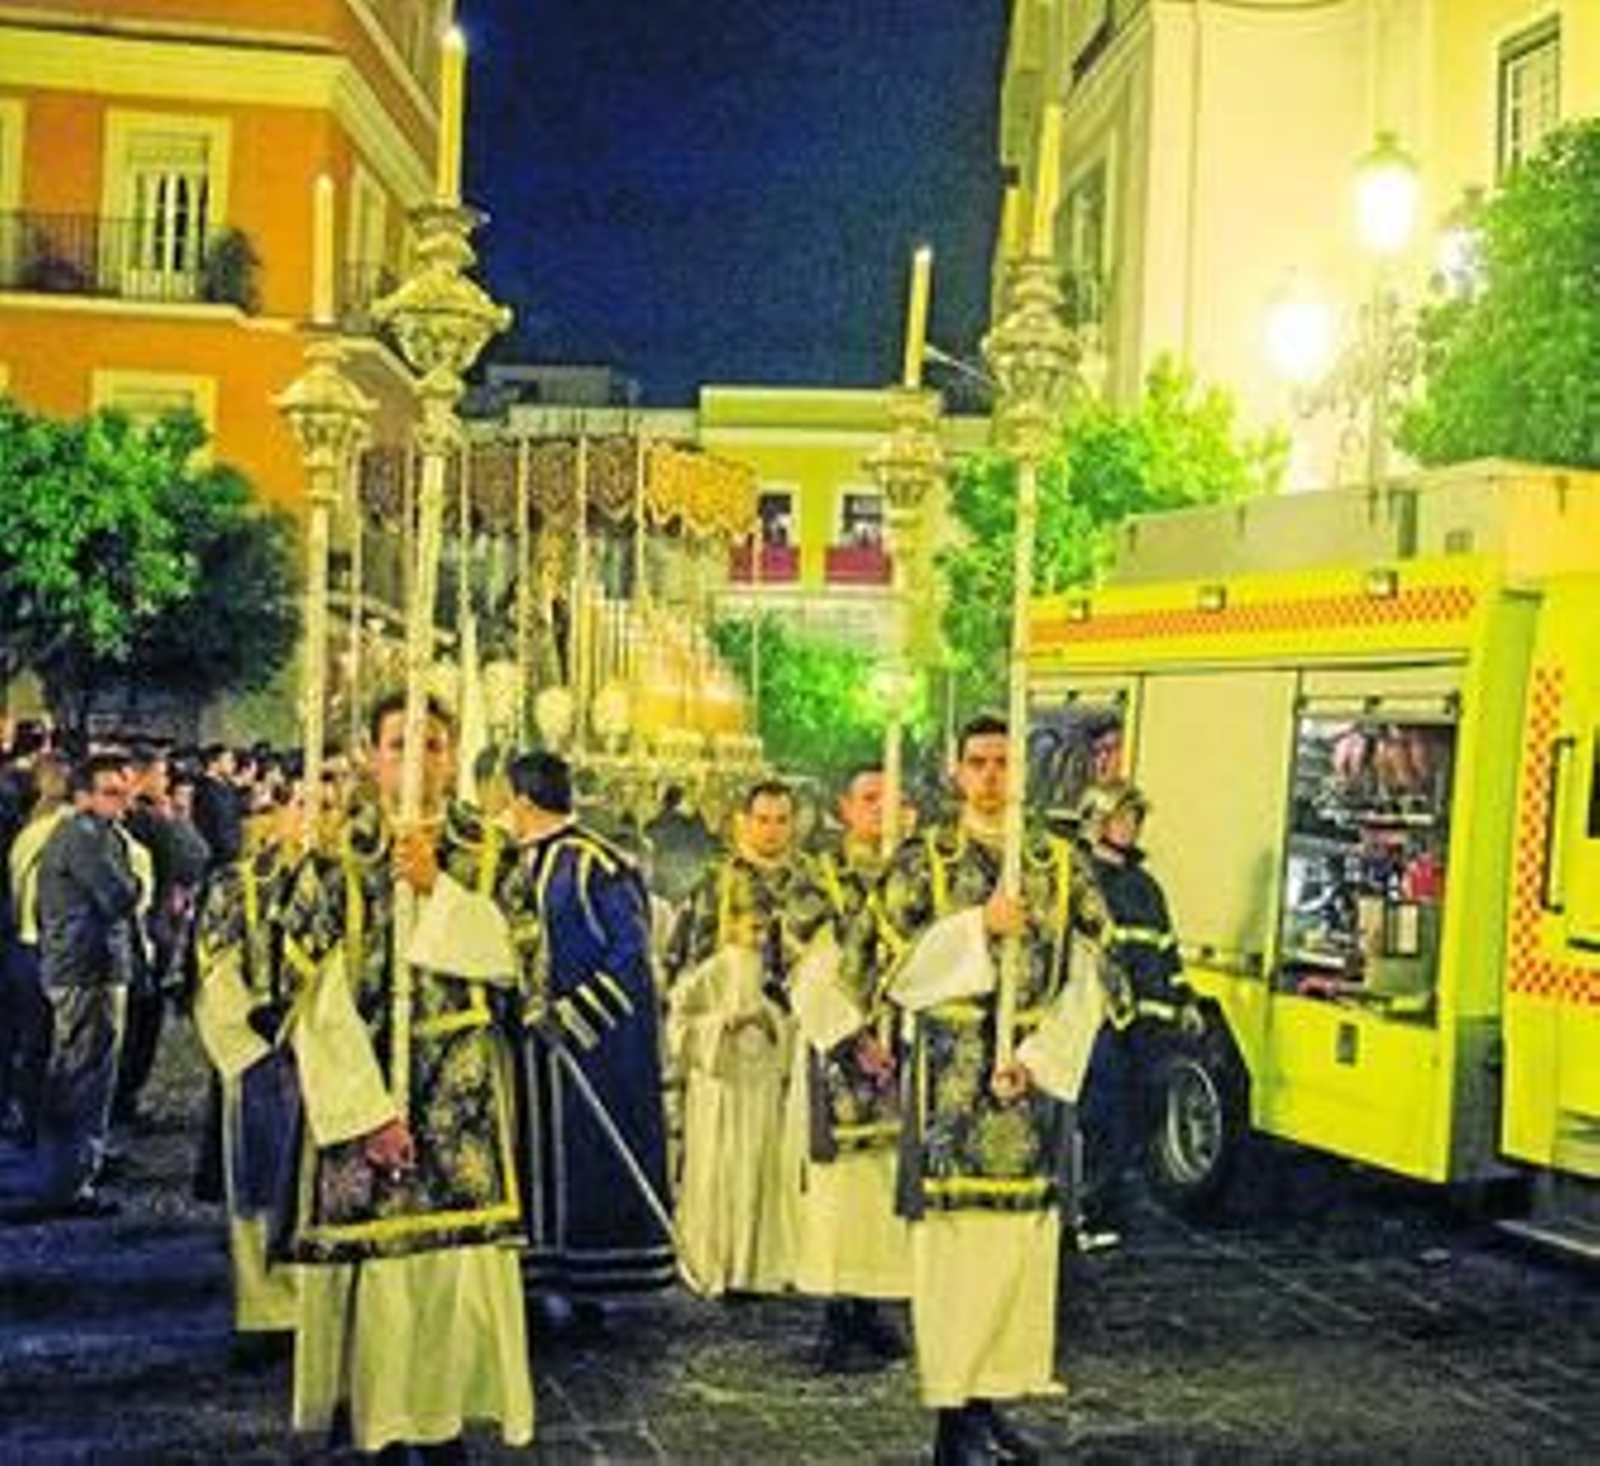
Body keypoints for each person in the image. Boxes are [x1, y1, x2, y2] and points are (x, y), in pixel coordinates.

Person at [278, 691, 533, 1456]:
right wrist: (367, 1115)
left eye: (433, 745)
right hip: (362, 1091)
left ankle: (445, 1423)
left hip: (461, 1092)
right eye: (399, 745)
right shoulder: (335, 858)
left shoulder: (492, 853)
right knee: (379, 1280)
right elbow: (313, 1001)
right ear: (372, 757)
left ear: (453, 758)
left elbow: (522, 962)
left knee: (453, 1276)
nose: (417, 760)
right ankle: (379, 1426)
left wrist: (436, 890)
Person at [877, 715, 1117, 1465]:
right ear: (956, 772)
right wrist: (977, 927)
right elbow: (888, 966)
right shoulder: (923, 861)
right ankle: (952, 1419)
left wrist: (1040, 1061)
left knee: (1017, 1257)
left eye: (1003, 762)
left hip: (1029, 1094)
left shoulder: (1061, 863)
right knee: (955, 1260)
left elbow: (1094, 972)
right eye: (977, 762)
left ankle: (989, 1402)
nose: (990, 776)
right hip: (952, 1095)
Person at [501, 751, 675, 1319]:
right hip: (528, 1055)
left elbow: (631, 959)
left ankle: (593, 1281)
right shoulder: (512, 864)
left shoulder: (595, 866)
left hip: (590, 1052)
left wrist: (574, 1017)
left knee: (587, 1162)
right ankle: (537, 1277)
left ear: (521, 801)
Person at [665, 779, 811, 1297]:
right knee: (719, 1159)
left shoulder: (809, 885)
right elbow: (683, 969)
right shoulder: (714, 884)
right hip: (722, 1057)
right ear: (743, 823)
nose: (772, 831)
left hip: (786, 1047)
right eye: (762, 820)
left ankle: (773, 1260)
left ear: (795, 825)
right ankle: (717, 1259)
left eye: (781, 820)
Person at [788, 764, 911, 1372]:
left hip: (905, 1045)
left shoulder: (917, 873)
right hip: (837, 1050)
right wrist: (852, 1036)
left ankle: (875, 1303)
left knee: (888, 1184)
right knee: (840, 1189)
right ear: (845, 809)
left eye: (893, 799)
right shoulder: (820, 878)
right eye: (869, 798)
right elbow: (803, 964)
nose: (881, 810)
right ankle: (837, 1310)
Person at [192, 783, 303, 1362]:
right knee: (261, 1183)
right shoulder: (238, 885)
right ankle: (266, 1309)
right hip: (261, 1054)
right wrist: (254, 1021)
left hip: (333, 1055)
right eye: (303, 805)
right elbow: (214, 964)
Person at [7, 753, 142, 1221]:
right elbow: (118, 896)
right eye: (110, 793)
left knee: (79, 1073)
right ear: (83, 796)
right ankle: (67, 1182)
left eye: (124, 792)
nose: (121, 803)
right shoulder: (84, 838)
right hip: (87, 968)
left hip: (83, 964)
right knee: (84, 1077)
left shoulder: (86, 834)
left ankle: (70, 1171)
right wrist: (136, 883)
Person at [1075, 780, 1194, 1247]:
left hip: (1147, 1028)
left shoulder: (1145, 887)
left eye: (1134, 819)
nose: (1130, 827)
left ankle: (1108, 1210)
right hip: (1100, 1024)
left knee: (1136, 1118)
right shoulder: (1081, 882)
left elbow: (1165, 950)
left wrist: (1183, 1000)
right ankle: (1087, 1213)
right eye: (1121, 818)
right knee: (1099, 1117)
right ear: (1097, 822)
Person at [2, 754, 70, 1145]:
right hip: (53, 946)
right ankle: (49, 1131)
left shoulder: (28, 832)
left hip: (23, 944)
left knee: (30, 1042)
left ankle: (27, 1120)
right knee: (56, 1044)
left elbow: (15, 889)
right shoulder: (69, 831)